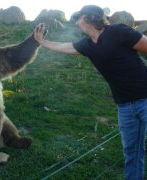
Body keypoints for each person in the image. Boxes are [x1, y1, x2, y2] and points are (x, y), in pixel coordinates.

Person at [34, 4, 147, 180]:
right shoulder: (87, 45)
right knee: (131, 152)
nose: (77, 23)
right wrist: (42, 41)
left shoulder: (118, 31)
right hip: (124, 106)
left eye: (78, 18)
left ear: (90, 18)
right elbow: (64, 46)